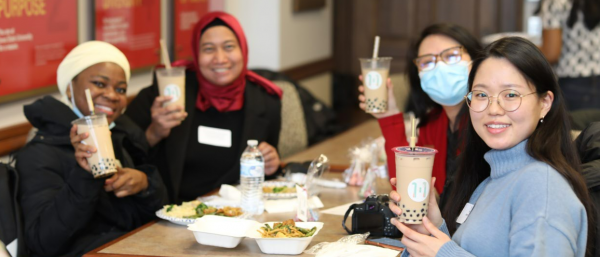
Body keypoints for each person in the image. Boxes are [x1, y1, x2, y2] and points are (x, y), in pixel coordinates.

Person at [389, 37, 595, 257]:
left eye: (511, 95)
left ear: (544, 103)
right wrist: (431, 228)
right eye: (481, 95)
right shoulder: (491, 178)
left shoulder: (541, 188)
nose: (493, 108)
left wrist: (443, 254)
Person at [16, 41, 167, 257]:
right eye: (99, 83)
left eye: (120, 89)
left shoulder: (117, 136)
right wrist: (85, 175)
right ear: (69, 88)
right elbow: (43, 241)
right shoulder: (39, 153)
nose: (112, 95)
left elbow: (150, 217)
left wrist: (145, 185)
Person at [126, 12, 283, 203]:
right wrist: (154, 133)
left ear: (243, 49)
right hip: (171, 215)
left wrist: (272, 164)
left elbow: (266, 174)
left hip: (236, 213)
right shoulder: (165, 94)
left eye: (229, 47)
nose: (220, 58)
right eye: (209, 49)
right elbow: (124, 154)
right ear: (196, 54)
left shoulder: (266, 102)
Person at [358, 24, 482, 208]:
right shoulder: (432, 125)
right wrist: (389, 116)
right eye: (427, 62)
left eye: (451, 56)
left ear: (476, 60)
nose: (440, 67)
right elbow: (407, 188)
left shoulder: (489, 122)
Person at [540, 0, 600, 110]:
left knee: (573, 126)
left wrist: (524, 47)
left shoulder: (554, 2)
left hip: (573, 83)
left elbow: (551, 53)